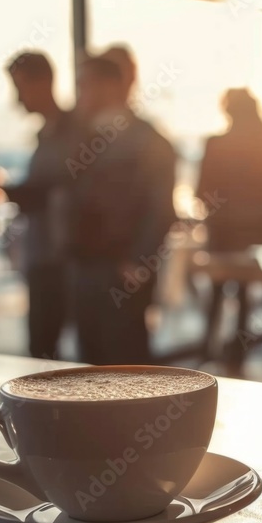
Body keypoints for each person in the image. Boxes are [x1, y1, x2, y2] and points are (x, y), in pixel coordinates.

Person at [68, 56, 177, 364]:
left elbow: (161, 209)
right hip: (85, 268)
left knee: (126, 363)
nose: (79, 94)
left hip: (121, 270)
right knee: (90, 365)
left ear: (109, 87)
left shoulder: (148, 141)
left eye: (85, 85)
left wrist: (137, 262)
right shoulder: (81, 137)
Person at [196, 88, 262, 367]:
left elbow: (202, 190)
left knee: (216, 290)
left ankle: (208, 349)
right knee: (244, 293)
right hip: (253, 233)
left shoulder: (216, 144)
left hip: (222, 232)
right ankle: (236, 354)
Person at [5, 52, 76, 359]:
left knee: (44, 352)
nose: (18, 99)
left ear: (43, 82)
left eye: (20, 87)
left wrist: (15, 193)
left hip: (58, 260)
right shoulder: (47, 135)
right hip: (44, 257)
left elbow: (63, 192)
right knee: (42, 348)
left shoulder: (71, 134)